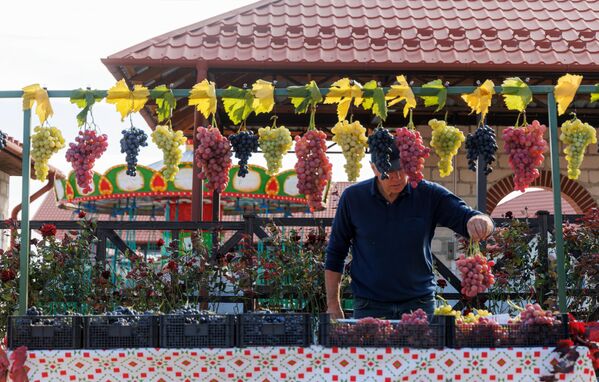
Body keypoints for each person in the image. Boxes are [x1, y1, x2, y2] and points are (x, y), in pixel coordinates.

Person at [325, 144, 494, 320]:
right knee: (370, 349)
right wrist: (333, 304)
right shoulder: (353, 198)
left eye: (402, 169)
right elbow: (336, 252)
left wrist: (482, 222)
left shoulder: (428, 193)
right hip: (369, 306)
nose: (397, 177)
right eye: (389, 171)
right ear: (373, 168)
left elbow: (468, 217)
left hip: (419, 304)